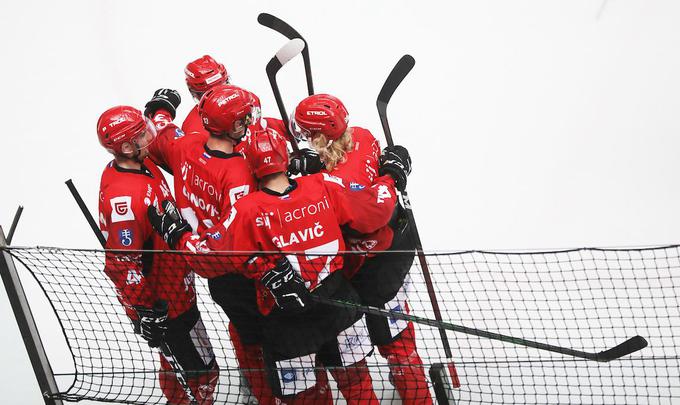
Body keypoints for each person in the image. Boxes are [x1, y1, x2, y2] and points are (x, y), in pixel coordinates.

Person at [147, 127, 412, 404]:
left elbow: (206, 258)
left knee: (307, 399)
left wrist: (178, 235)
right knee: (357, 385)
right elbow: (374, 211)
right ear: (287, 160)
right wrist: (390, 175)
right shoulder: (322, 185)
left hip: (288, 320)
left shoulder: (247, 210)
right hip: (339, 305)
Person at [289, 93, 433, 404]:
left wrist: (313, 178)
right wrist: (392, 170)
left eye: (305, 133)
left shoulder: (334, 186)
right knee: (399, 343)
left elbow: (366, 208)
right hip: (395, 255)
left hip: (364, 275)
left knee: (360, 356)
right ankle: (420, 396)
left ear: (320, 136)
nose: (300, 138)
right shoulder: (364, 137)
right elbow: (359, 177)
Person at [142, 85, 276, 404]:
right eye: (244, 119)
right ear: (230, 126)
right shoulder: (241, 172)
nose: (250, 122)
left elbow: (160, 131)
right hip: (246, 276)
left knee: (247, 337)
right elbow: (242, 232)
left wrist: (160, 108)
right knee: (273, 345)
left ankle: (257, 390)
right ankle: (270, 396)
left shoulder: (186, 145)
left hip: (216, 277)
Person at [96, 106, 218, 404]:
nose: (149, 138)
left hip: (178, 289)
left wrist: (158, 111)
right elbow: (122, 265)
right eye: (141, 135)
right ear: (125, 146)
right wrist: (146, 309)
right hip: (167, 307)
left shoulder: (141, 162)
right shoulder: (124, 199)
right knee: (203, 373)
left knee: (177, 364)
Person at [182, 55, 231, 135]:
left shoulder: (249, 103)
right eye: (212, 94)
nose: (220, 98)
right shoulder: (193, 129)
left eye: (223, 89)